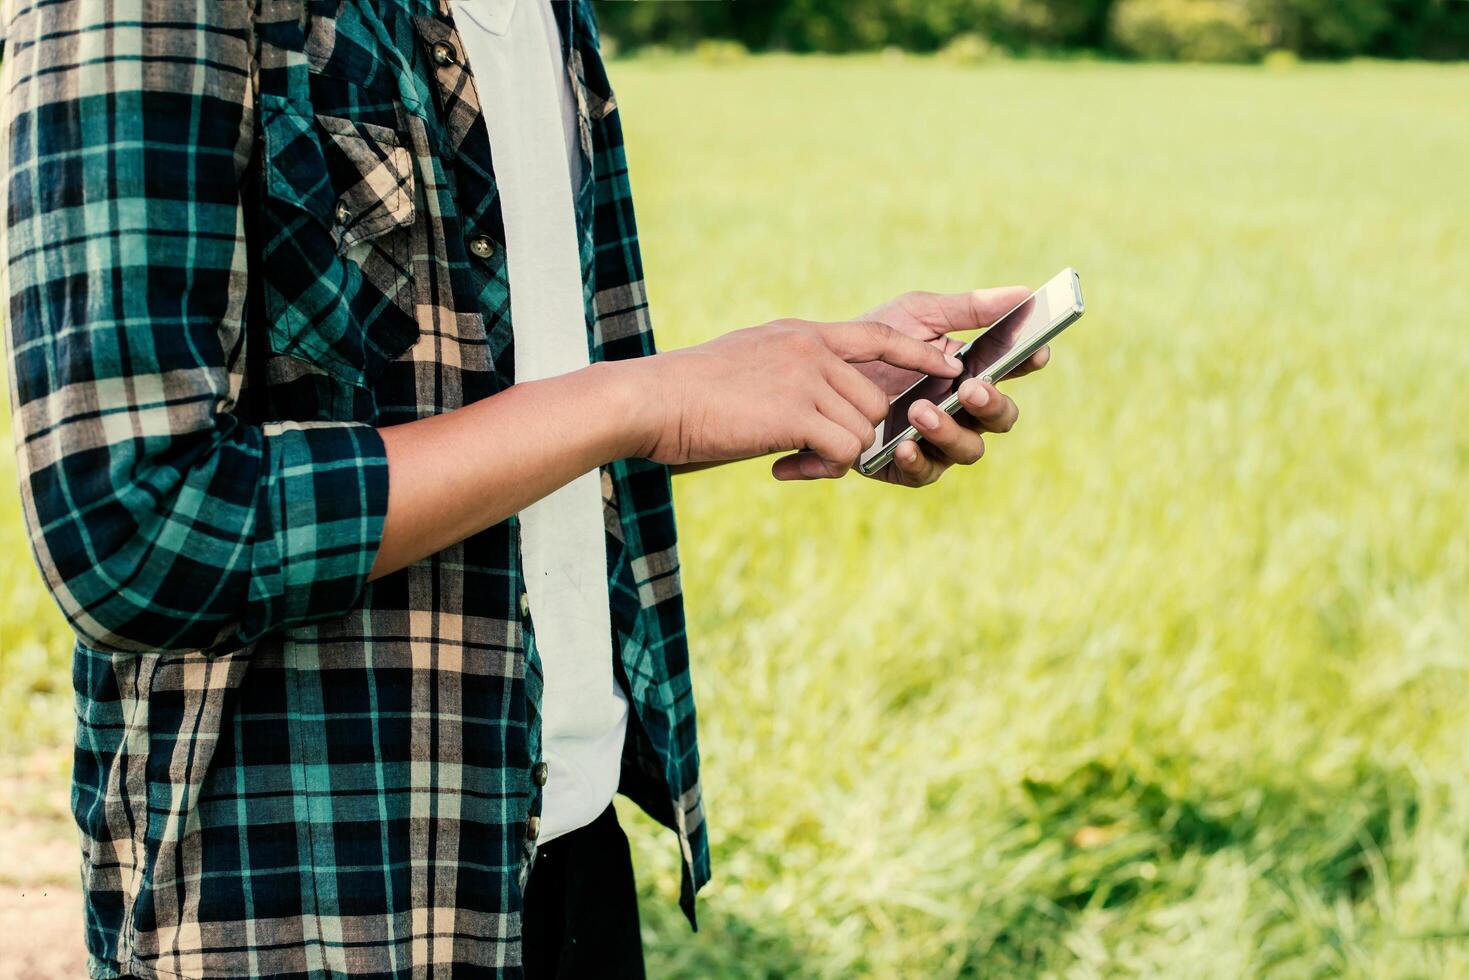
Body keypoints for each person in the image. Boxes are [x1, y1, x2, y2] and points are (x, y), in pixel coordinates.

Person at [0, 1, 1046, 977]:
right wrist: (646, 397)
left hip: (567, 845)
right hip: (303, 894)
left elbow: (507, 395)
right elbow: (132, 529)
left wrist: (783, 387)